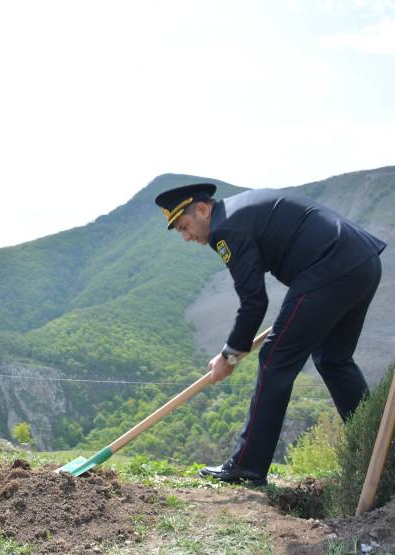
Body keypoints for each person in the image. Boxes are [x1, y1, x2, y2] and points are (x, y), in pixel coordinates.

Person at [154, 183, 386, 486]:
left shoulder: (226, 228)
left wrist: (229, 355)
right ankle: (380, 453)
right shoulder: (237, 212)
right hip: (362, 261)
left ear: (202, 209)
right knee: (333, 359)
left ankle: (247, 466)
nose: (187, 237)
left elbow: (254, 301)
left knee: (274, 358)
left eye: (185, 226)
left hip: (329, 267)